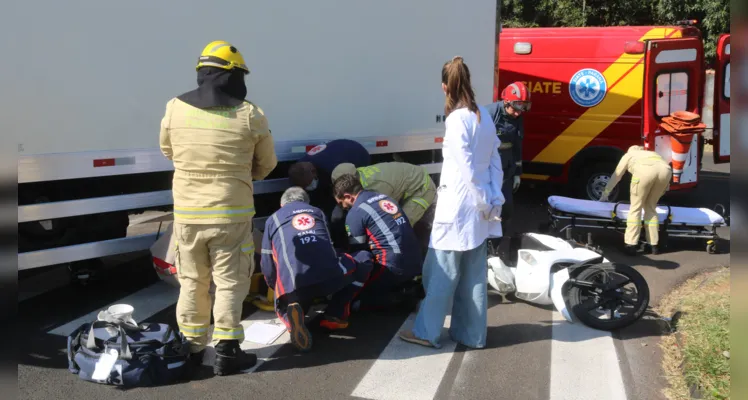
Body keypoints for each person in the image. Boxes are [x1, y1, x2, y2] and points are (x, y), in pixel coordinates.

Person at [159, 40, 278, 376]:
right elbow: (266, 164)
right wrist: (242, 175)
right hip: (231, 214)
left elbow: (167, 150)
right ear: (233, 76)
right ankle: (227, 351)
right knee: (229, 282)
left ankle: (192, 347)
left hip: (187, 213)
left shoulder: (174, 108)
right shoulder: (249, 114)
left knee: (192, 281)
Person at [399, 56, 504, 349]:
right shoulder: (483, 115)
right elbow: (495, 161)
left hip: (458, 207)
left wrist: (485, 200)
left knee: (440, 274)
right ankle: (471, 334)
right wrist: (494, 198)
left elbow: (466, 167)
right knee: (473, 276)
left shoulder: (457, 120)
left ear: (445, 87)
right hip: (479, 211)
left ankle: (426, 332)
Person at [260, 187, 374, 352]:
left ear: (281, 204)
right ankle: (336, 313)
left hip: (294, 284)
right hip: (329, 277)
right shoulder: (317, 212)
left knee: (288, 302)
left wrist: (275, 288)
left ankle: (291, 319)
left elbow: (267, 262)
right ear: (306, 202)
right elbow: (328, 245)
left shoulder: (272, 220)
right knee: (363, 258)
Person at [332, 174, 423, 311]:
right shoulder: (384, 197)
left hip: (392, 266)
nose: (342, 207)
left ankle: (402, 301)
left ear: (348, 197)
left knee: (356, 298)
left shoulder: (356, 212)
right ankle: (408, 286)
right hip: (416, 261)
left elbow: (359, 252)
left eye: (341, 203)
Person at [331, 161, 437, 254]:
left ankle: (414, 261)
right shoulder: (356, 178)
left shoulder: (375, 187)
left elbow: (383, 215)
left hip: (420, 187)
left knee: (401, 225)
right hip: (404, 182)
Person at [288, 139, 371, 247]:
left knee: (340, 211)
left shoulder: (331, 168)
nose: (308, 187)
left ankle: (344, 243)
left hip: (358, 155)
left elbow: (341, 191)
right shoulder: (298, 170)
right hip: (339, 152)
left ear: (314, 173)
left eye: (308, 184)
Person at [485, 81, 530, 260]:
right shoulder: (490, 114)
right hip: (488, 172)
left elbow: (517, 146)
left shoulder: (518, 118)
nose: (519, 112)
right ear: (506, 102)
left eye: (524, 107)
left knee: (506, 209)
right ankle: (483, 245)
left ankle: (496, 247)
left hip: (506, 172)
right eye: (516, 107)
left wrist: (518, 173)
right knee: (486, 209)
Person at [599, 145, 672, 255]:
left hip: (644, 171)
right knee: (651, 208)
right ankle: (653, 245)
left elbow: (617, 175)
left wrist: (605, 194)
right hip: (665, 171)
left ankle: (631, 244)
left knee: (635, 209)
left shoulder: (629, 155)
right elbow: (664, 178)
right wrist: (663, 190)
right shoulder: (652, 154)